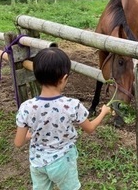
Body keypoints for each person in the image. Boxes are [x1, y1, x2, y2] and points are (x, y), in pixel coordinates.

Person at [14, 47, 111, 190]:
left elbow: (18, 142)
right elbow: (90, 129)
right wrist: (103, 112)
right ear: (64, 78)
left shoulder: (26, 107)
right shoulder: (72, 105)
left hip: (38, 163)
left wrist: (30, 135)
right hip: (63, 161)